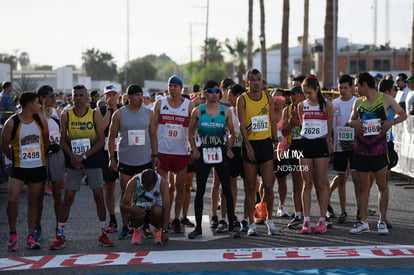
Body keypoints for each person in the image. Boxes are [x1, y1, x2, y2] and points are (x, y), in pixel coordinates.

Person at [49, 85, 113, 250]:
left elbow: (100, 140)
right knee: (68, 197)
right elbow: (62, 139)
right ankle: (60, 234)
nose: (78, 98)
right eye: (75, 95)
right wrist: (72, 157)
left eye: (81, 95)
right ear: (72, 97)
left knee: (98, 195)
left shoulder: (94, 114)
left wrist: (83, 156)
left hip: (92, 159)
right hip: (73, 160)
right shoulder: (66, 114)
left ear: (87, 98)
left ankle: (103, 233)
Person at [349, 72, 406, 235]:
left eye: (357, 86)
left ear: (365, 85)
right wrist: (354, 123)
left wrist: (391, 122)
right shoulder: (358, 102)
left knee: (382, 185)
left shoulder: (386, 99)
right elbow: (350, 120)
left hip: (379, 149)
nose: (355, 89)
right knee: (363, 187)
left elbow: (403, 114)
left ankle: (382, 221)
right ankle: (364, 221)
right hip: (361, 149)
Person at [188, 80, 240, 239]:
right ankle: (198, 228)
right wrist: (194, 149)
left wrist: (230, 148)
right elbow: (190, 132)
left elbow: (232, 133)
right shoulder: (198, 111)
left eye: (217, 91)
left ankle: (231, 225)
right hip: (204, 152)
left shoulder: (226, 111)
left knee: (227, 189)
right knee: (201, 191)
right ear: (204, 93)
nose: (214, 94)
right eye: (210, 91)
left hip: (221, 152)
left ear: (220, 93)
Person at [107, 84, 159, 239]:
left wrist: (155, 155)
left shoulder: (148, 113)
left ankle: (145, 225)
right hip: (126, 161)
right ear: (128, 97)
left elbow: (153, 136)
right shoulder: (119, 114)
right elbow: (111, 137)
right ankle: (125, 226)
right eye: (137, 95)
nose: (140, 98)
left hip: (144, 161)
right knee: (125, 195)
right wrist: (111, 158)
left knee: (146, 195)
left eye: (141, 95)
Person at [2, 92, 49, 251]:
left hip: (37, 166)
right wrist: (15, 158)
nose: (40, 106)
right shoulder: (12, 122)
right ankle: (13, 233)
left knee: (33, 202)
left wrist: (39, 157)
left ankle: (30, 236)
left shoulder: (41, 120)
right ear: (29, 104)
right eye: (37, 103)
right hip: (19, 168)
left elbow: (46, 141)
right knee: (12, 200)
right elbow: (4, 145)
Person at [236, 69, 278, 236]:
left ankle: (270, 220)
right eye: (252, 80)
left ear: (262, 81)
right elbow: (241, 125)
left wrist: (275, 141)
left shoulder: (267, 97)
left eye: (258, 79)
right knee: (250, 187)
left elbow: (272, 121)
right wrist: (248, 146)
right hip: (250, 145)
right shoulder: (242, 99)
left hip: (266, 144)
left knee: (268, 186)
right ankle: (251, 224)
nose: (255, 82)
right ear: (247, 83)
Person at [153, 75, 195, 234]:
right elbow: (153, 128)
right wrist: (154, 151)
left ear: (181, 88)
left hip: (181, 152)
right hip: (163, 151)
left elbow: (193, 130)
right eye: (170, 86)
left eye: (175, 86)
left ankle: (176, 218)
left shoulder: (189, 105)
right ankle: (165, 218)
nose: (172, 88)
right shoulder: (160, 103)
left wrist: (193, 148)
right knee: (163, 188)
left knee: (180, 187)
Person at [297, 74, 333, 234]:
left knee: (321, 183)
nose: (307, 96)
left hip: (320, 144)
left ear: (317, 89)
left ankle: (322, 220)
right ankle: (306, 220)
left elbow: (329, 128)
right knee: (307, 183)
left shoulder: (327, 105)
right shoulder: (301, 106)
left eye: (309, 92)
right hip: (305, 143)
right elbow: (302, 124)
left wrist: (328, 142)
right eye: (305, 93)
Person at [327, 74, 359, 223]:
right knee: (341, 178)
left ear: (352, 87)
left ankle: (360, 210)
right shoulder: (334, 104)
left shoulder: (357, 102)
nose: (343, 90)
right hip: (339, 146)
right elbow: (329, 126)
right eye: (340, 88)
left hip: (356, 146)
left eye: (346, 87)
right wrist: (329, 142)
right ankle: (344, 211)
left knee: (357, 178)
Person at [36, 85, 65, 242]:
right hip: (40, 157)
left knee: (57, 194)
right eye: (51, 96)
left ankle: (59, 229)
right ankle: (37, 228)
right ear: (41, 98)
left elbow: (63, 135)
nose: (54, 99)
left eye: (54, 96)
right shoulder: (34, 114)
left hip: (56, 155)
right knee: (38, 195)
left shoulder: (57, 112)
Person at [120, 169, 170, 245]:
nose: (147, 189)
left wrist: (165, 231)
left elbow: (167, 208)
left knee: (158, 210)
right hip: (140, 212)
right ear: (141, 182)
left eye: (150, 187)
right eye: (145, 186)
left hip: (154, 213)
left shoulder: (162, 183)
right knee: (134, 210)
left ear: (155, 183)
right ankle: (136, 231)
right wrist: (132, 209)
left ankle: (158, 231)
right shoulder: (134, 181)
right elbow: (122, 205)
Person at [97, 84, 122, 233]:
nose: (111, 97)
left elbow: (123, 124)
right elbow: (102, 127)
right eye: (108, 94)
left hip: (123, 150)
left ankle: (129, 218)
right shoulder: (99, 111)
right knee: (109, 186)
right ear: (104, 96)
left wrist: (116, 110)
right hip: (106, 152)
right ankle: (112, 217)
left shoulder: (124, 110)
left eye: (114, 94)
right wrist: (109, 110)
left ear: (118, 96)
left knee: (127, 185)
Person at [281, 86, 305, 230]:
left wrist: (300, 123)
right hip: (294, 147)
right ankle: (298, 214)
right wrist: (291, 123)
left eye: (295, 94)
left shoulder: (309, 107)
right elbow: (283, 132)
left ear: (302, 95)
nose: (293, 97)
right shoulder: (287, 110)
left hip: (309, 145)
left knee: (314, 181)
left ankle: (322, 216)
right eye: (291, 95)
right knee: (297, 183)